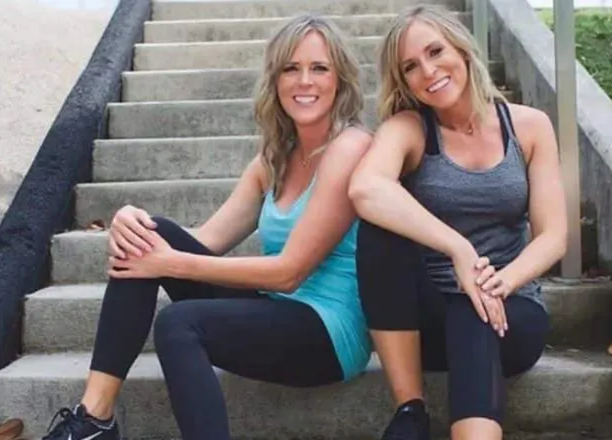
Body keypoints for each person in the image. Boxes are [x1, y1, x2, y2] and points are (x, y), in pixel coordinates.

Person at [41, 12, 373, 440]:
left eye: (319, 68)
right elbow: (208, 241)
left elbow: (290, 273)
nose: (304, 81)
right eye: (291, 68)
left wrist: (172, 263)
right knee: (149, 234)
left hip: (329, 334)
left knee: (179, 323)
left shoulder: (351, 147)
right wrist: (131, 223)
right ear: (275, 80)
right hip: (276, 311)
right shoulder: (271, 160)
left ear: (340, 80)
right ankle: (94, 420)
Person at [347, 4, 568, 440]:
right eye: (411, 66)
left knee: (475, 308)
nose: (428, 71)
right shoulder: (408, 128)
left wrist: (497, 282)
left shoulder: (529, 126)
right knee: (378, 229)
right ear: (404, 80)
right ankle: (410, 409)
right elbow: (365, 189)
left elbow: (555, 236)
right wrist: (459, 250)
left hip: (512, 312)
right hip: (421, 323)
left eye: (435, 51)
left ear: (463, 50)